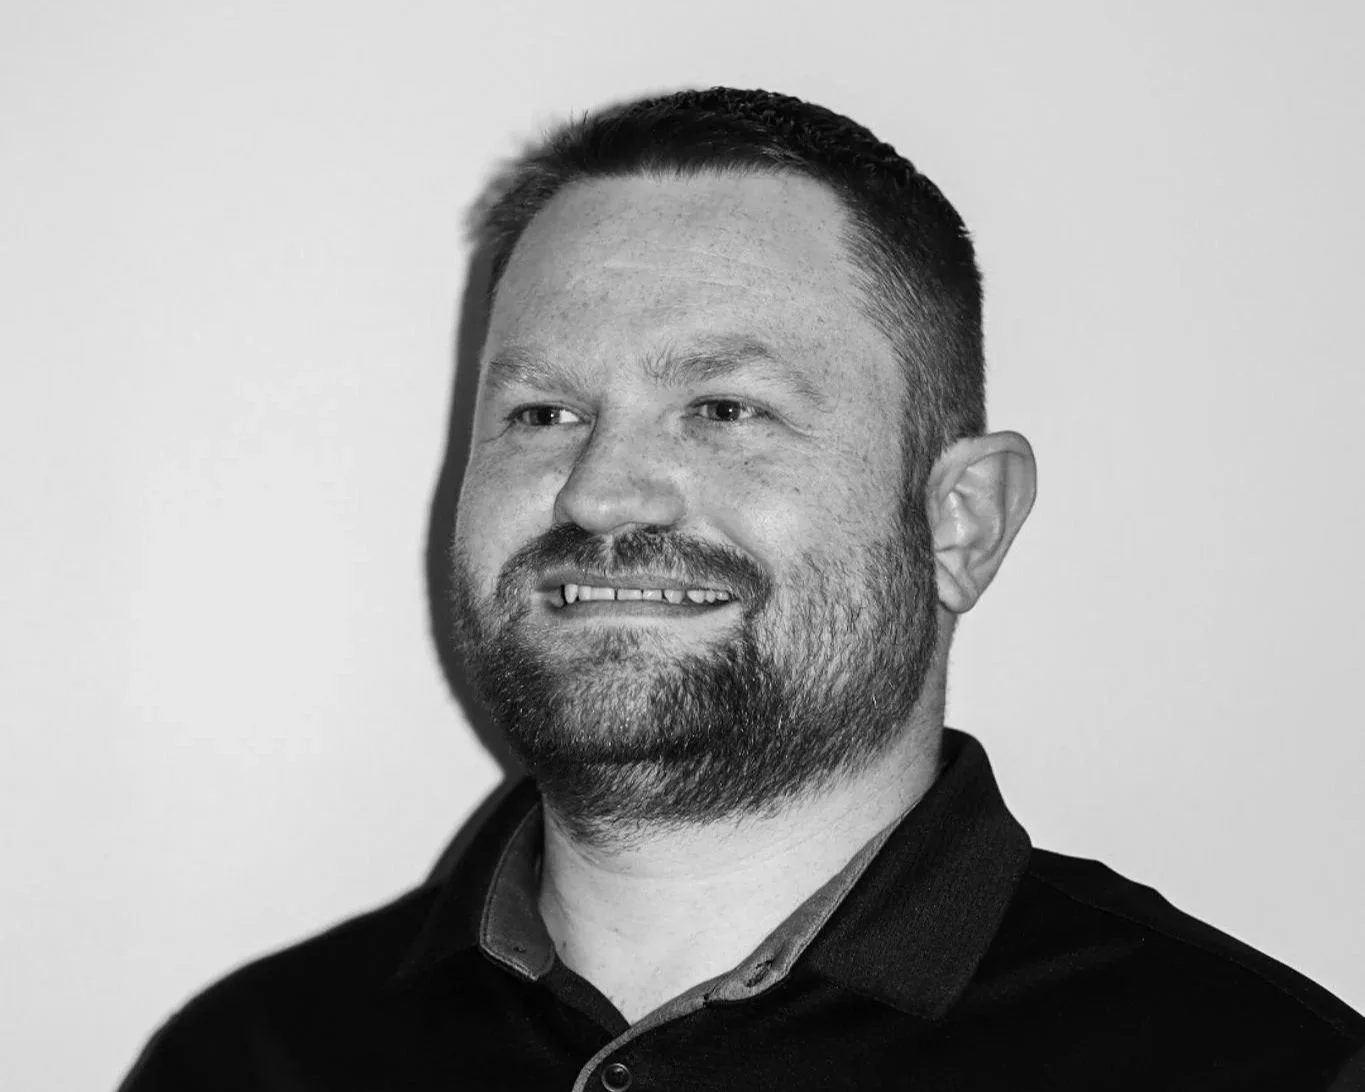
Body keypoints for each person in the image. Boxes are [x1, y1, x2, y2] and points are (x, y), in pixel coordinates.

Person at [119, 86, 1365, 1091]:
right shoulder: (250, 1058)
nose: (602, 495)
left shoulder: (1259, 1067)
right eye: (542, 411)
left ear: (963, 520)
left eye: (724, 409)